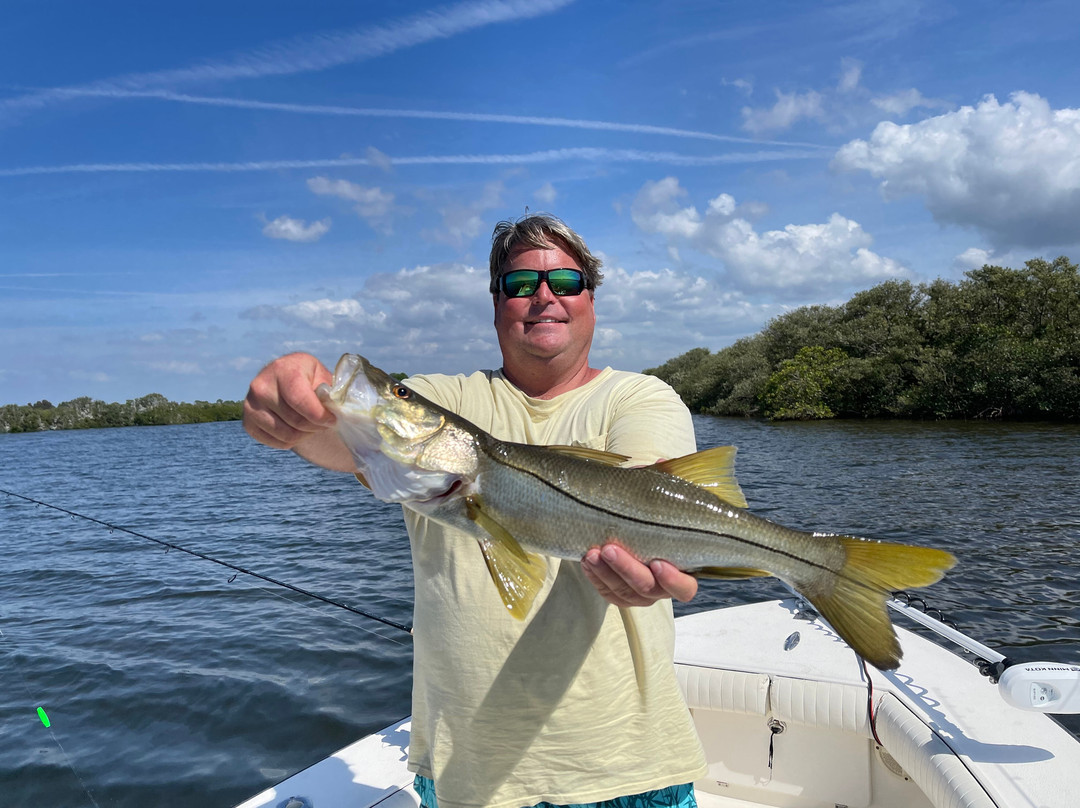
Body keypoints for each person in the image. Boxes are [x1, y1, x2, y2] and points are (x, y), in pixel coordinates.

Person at [243, 214, 707, 808]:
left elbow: (646, 487)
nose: (544, 297)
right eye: (520, 284)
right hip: (469, 772)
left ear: (591, 299)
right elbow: (346, 441)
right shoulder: (446, 399)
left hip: (629, 763)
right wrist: (297, 412)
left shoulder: (640, 397)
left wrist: (650, 560)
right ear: (496, 304)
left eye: (566, 281)